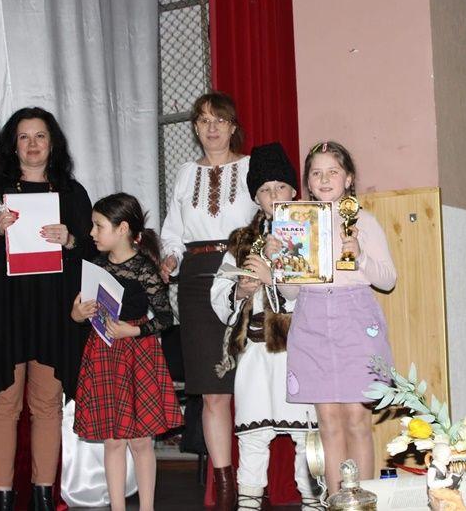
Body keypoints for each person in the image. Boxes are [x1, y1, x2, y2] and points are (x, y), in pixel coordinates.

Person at [0, 107, 93, 511]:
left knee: (47, 405)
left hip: (53, 311)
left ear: (52, 143)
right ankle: (3, 497)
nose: (33, 144)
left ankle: (43, 496)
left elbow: (93, 251)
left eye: (40, 136)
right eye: (24, 136)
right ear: (12, 145)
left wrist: (70, 239)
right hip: (5, 311)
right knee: (4, 404)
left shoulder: (72, 193)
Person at [159, 92, 258, 509]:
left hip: (244, 274)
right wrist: (170, 256)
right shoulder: (185, 173)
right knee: (214, 393)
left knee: (251, 387)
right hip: (197, 281)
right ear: (196, 129)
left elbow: (269, 217)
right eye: (203, 121)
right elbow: (172, 230)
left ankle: (254, 483)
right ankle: (225, 488)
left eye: (219, 120)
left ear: (233, 126)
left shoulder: (252, 167)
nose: (211, 128)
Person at [210, 143, 321, 510]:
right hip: (256, 350)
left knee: (307, 435)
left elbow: (314, 295)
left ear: (294, 191)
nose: (274, 196)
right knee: (253, 436)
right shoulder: (242, 242)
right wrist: (241, 290)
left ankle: (313, 501)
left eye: (280, 187)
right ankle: (248, 503)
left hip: (297, 350)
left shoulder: (310, 232)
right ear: (255, 198)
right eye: (265, 189)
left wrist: (274, 276)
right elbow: (219, 293)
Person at [282, 141, 397, 493]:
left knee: (357, 419)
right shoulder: (297, 223)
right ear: (307, 182)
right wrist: (280, 265)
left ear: (348, 178)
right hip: (311, 322)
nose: (324, 179)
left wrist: (360, 255)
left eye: (333, 171)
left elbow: (388, 280)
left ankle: (363, 501)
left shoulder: (364, 221)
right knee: (328, 422)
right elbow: (290, 293)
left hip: (354, 321)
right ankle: (337, 501)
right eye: (316, 173)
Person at [71, 193, 182, 511]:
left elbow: (165, 318)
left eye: (98, 226)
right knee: (113, 439)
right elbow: (79, 312)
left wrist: (132, 330)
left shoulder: (144, 269)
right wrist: (78, 314)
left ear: (121, 229)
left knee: (141, 439)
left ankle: (146, 507)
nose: (92, 233)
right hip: (104, 352)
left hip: (137, 353)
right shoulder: (96, 266)